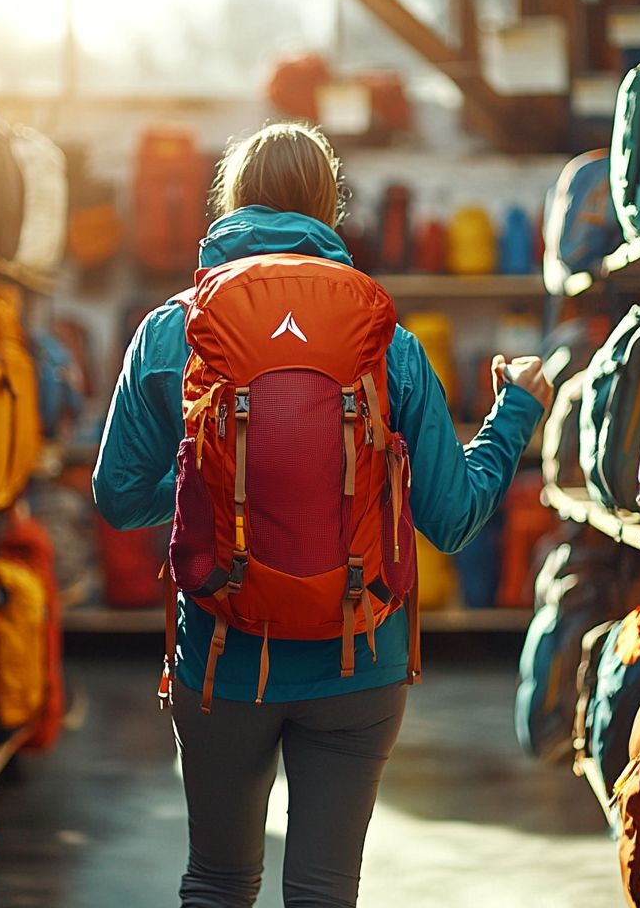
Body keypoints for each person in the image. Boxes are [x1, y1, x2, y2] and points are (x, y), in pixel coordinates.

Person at [93, 121, 552, 908]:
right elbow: (451, 517)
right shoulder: (388, 342)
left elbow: (117, 496)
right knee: (323, 893)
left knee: (216, 882)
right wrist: (516, 411)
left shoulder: (173, 330)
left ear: (232, 203)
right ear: (329, 212)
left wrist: (214, 489)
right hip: (357, 658)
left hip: (221, 659)